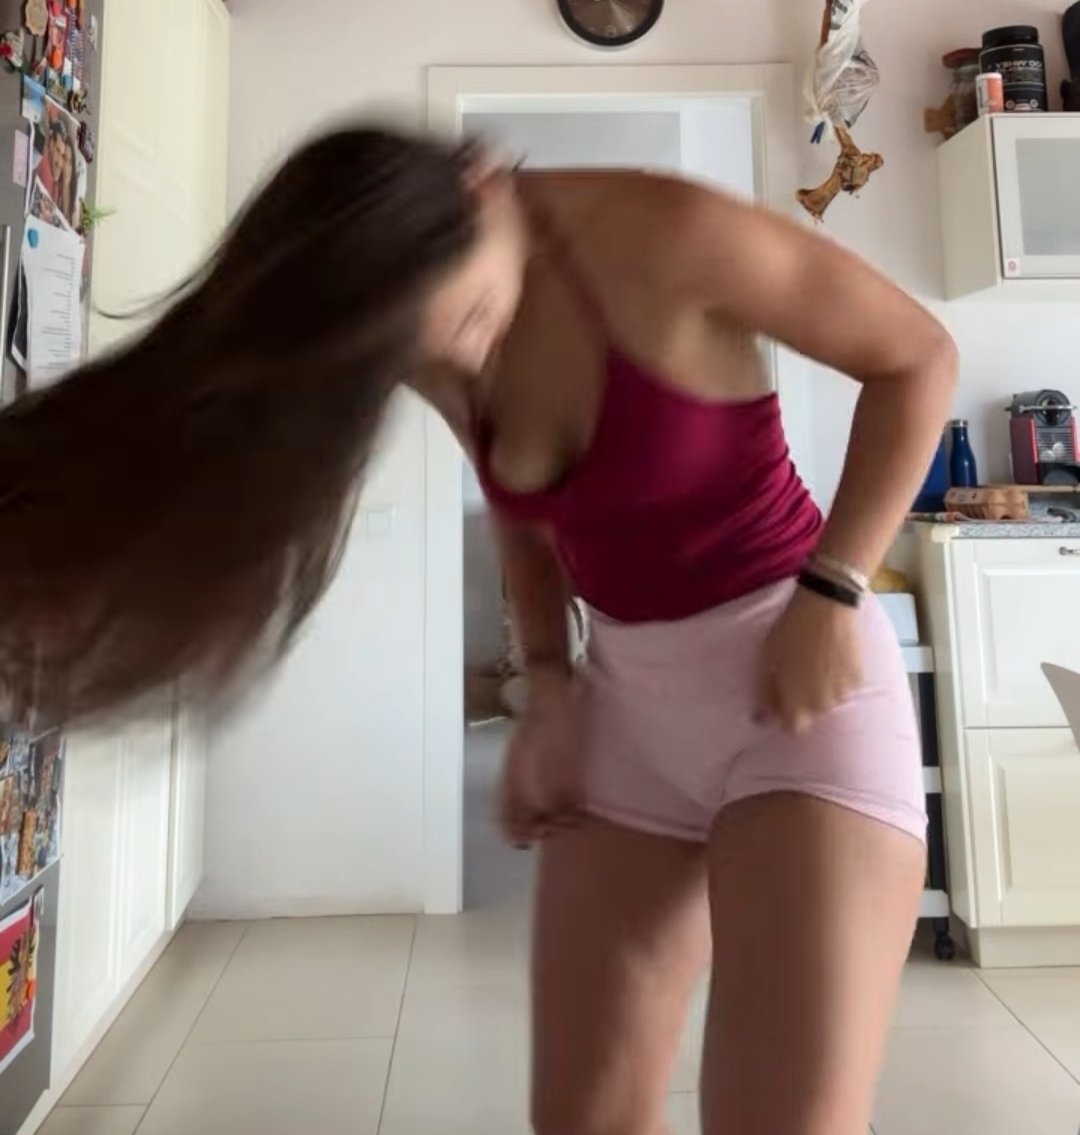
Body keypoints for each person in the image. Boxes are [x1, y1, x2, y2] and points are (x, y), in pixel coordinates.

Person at [0, 127, 957, 1135]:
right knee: (582, 1120)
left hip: (796, 686)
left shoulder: (669, 231)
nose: (459, 364)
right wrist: (548, 684)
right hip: (630, 712)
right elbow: (523, 507)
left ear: (481, 189)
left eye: (466, 322)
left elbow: (918, 359)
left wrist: (834, 587)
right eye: (423, 358)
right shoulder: (431, 324)